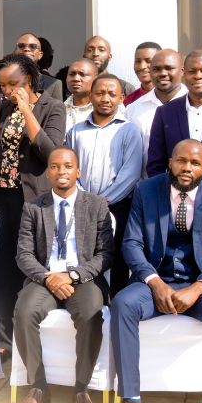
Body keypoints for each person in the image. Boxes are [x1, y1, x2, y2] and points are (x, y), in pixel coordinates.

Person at [93, 140, 202, 403]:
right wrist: (154, 282)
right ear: (170, 162)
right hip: (155, 278)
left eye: (195, 163)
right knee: (123, 303)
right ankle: (131, 402)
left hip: (198, 282)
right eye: (181, 161)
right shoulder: (146, 189)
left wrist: (198, 287)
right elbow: (131, 243)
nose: (187, 168)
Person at [12, 147, 114, 403]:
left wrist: (72, 276)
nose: (61, 171)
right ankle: (39, 387)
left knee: (91, 313)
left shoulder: (97, 205)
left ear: (77, 171)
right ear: (47, 173)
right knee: (24, 312)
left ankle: (81, 390)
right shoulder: (33, 207)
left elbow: (106, 255)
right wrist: (50, 278)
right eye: (55, 166)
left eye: (68, 166)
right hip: (44, 279)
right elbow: (24, 254)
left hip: (83, 279)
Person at [0, 52, 66, 356]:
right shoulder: (4, 106)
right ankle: (4, 342)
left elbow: (50, 152)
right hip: (2, 197)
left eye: (13, 84)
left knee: (30, 265)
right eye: (3, 85)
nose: (7, 90)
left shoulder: (53, 107)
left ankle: (31, 337)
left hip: (32, 200)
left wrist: (27, 111)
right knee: (3, 267)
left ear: (29, 79)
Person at [66, 74, 142, 298]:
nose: (105, 98)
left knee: (116, 261)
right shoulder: (76, 131)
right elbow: (70, 169)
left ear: (122, 98)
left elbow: (130, 173)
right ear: (91, 96)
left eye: (111, 94)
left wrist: (101, 202)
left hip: (118, 207)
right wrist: (85, 199)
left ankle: (115, 304)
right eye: (100, 93)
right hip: (81, 207)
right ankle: (87, 305)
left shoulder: (129, 130)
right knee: (83, 257)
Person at [125, 49, 188, 180]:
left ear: (182, 71)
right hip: (147, 186)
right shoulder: (133, 109)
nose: (163, 73)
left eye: (169, 68)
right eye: (156, 69)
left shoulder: (195, 105)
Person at [146, 50, 202, 178]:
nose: (198, 76)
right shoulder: (165, 112)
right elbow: (155, 165)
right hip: (174, 189)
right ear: (183, 72)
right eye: (192, 71)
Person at [11, 33, 63, 102]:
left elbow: (57, 108)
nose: (27, 49)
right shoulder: (2, 83)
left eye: (33, 46)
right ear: (14, 53)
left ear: (40, 55)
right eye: (21, 46)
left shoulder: (54, 84)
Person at [64, 58, 99, 130]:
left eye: (82, 74)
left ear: (96, 79)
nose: (76, 79)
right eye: (71, 74)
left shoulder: (105, 108)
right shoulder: (59, 109)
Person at [124, 42, 163, 107]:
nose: (142, 66)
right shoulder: (128, 101)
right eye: (138, 61)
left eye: (149, 61)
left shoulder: (172, 98)